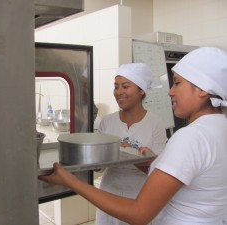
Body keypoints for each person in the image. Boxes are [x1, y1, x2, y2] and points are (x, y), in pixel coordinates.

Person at [39, 46, 227, 225]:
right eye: (116, 86)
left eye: (177, 83)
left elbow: (139, 214)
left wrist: (69, 180)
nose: (170, 92)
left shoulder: (191, 137)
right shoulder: (220, 129)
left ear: (203, 89)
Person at [96, 63, 167, 225]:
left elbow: (158, 170)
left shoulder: (155, 124)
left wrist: (131, 154)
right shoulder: (107, 122)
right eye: (116, 86)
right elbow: (98, 167)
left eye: (125, 86)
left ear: (141, 90)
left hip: (141, 195)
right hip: (110, 192)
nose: (119, 92)